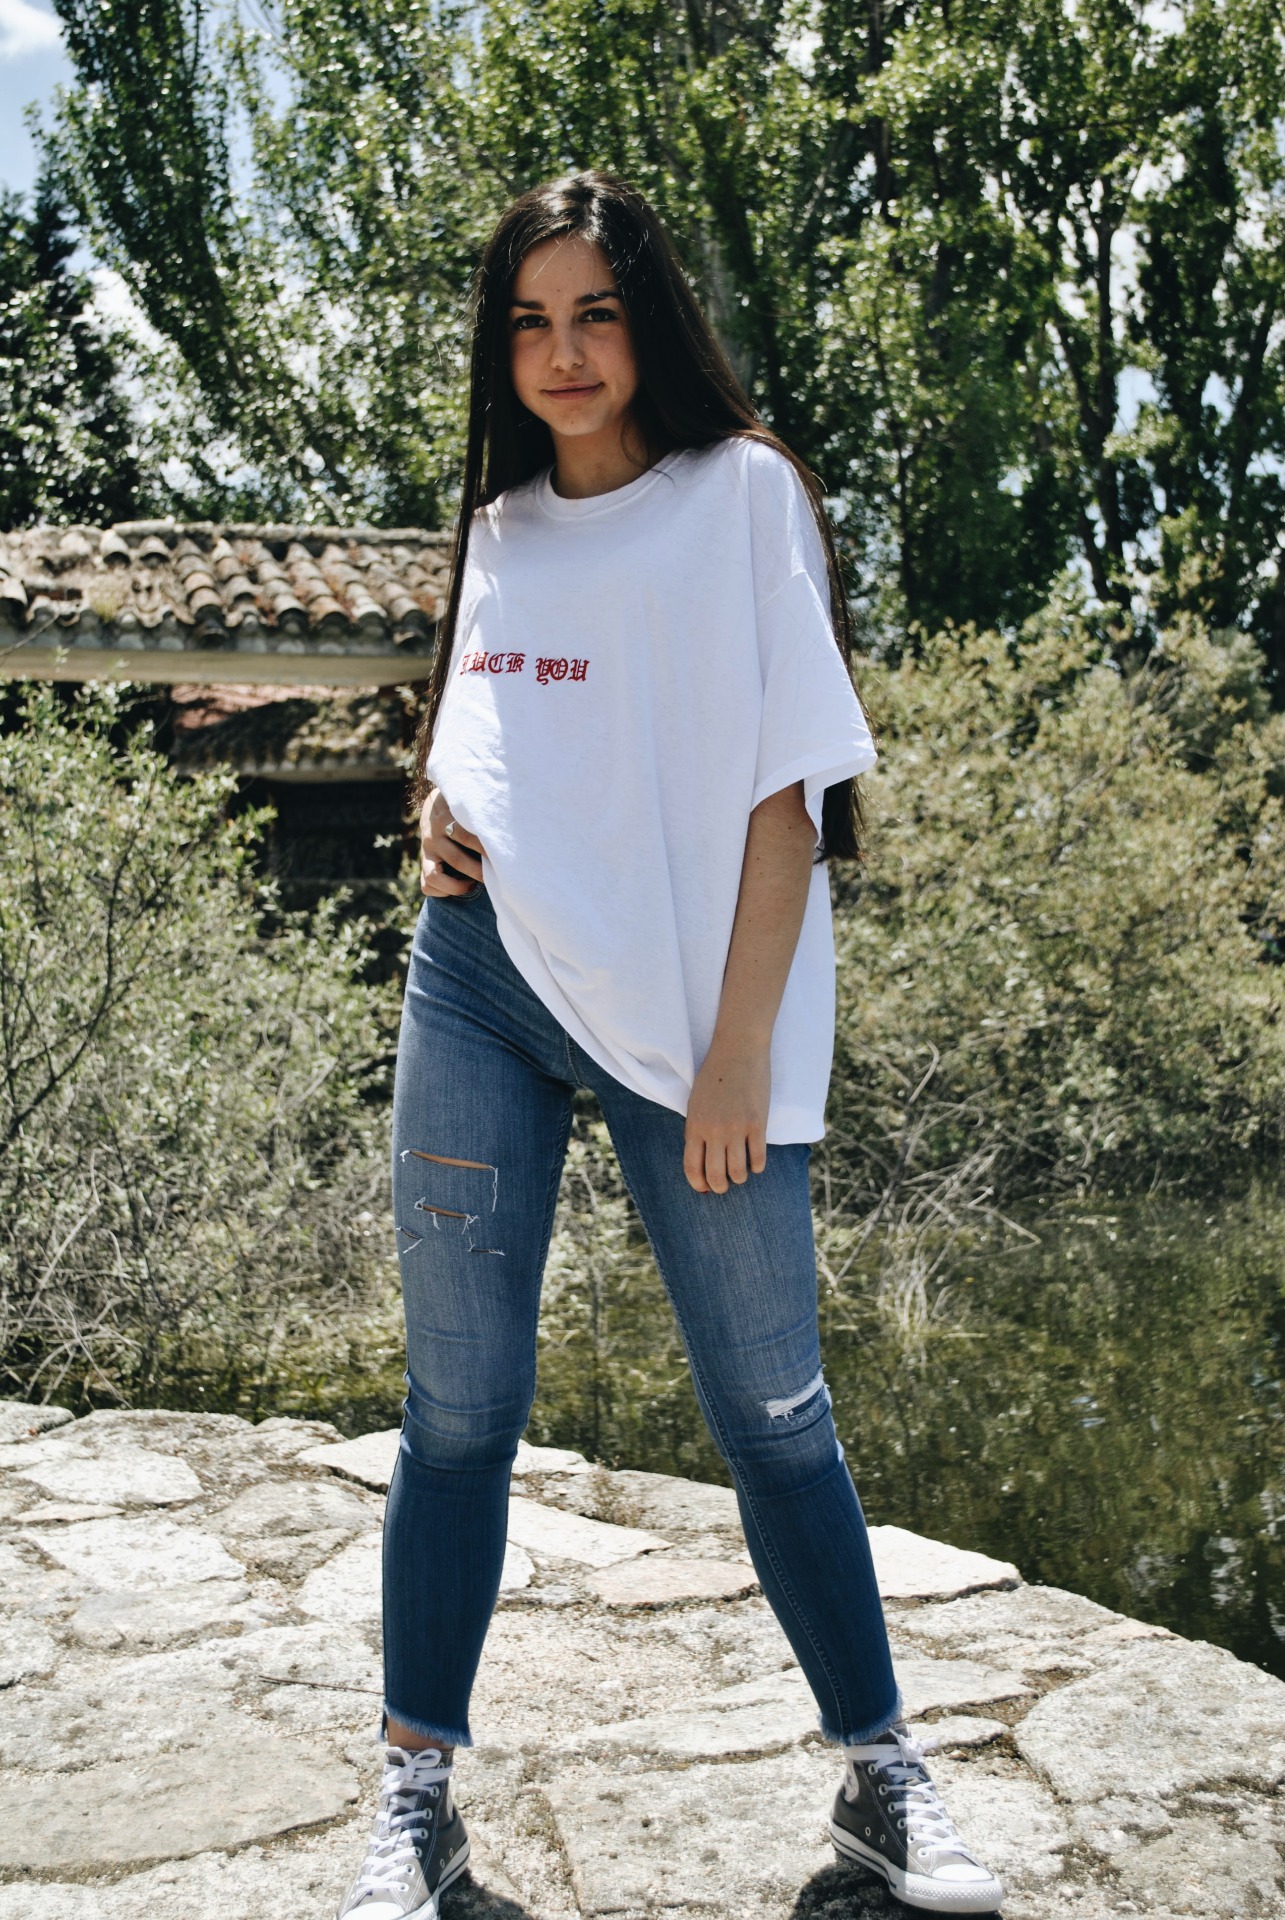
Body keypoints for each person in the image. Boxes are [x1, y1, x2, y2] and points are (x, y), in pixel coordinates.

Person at [337, 171, 1003, 1919]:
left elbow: (791, 795)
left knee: (772, 1414)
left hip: (700, 1022)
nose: (561, 353)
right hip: (482, 985)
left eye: (595, 313)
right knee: (457, 1413)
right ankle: (414, 1803)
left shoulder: (743, 494)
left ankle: (881, 1777)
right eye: (527, 322)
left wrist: (734, 1057)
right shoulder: (499, 522)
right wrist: (432, 814)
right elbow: (483, 732)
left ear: (651, 323)